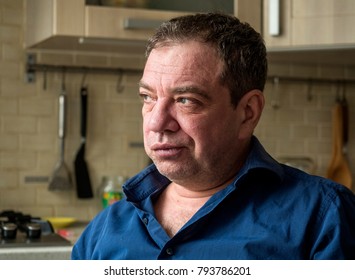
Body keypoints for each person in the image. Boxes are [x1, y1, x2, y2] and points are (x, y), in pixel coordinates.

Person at [71, 12, 355, 260]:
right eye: (148, 97)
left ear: (247, 112)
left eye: (186, 100)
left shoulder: (324, 217)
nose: (157, 122)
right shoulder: (104, 229)